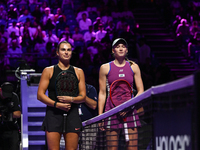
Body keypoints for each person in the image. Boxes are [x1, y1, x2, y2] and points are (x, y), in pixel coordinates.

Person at [37, 40, 86, 150]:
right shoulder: (48, 70)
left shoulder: (79, 72)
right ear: (57, 53)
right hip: (53, 114)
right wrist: (57, 104)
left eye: (69, 50)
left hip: (72, 114)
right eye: (63, 50)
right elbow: (40, 95)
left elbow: (83, 96)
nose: (66, 52)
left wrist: (71, 99)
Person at [98, 38, 144, 150]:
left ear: (126, 50)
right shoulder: (105, 68)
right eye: (118, 46)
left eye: (123, 46)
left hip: (130, 110)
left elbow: (141, 91)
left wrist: (128, 107)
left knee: (133, 148)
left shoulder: (134, 67)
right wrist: (100, 116)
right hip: (111, 111)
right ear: (113, 50)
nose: (121, 48)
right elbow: (102, 93)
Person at [0, 82, 21, 150]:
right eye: (4, 94)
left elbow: (18, 114)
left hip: (11, 128)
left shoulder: (13, 96)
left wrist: (7, 114)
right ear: (0, 90)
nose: (6, 96)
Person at [78, 83, 98, 150]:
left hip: (89, 124)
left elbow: (94, 105)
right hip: (72, 124)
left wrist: (82, 96)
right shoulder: (69, 89)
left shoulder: (90, 88)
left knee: (87, 148)